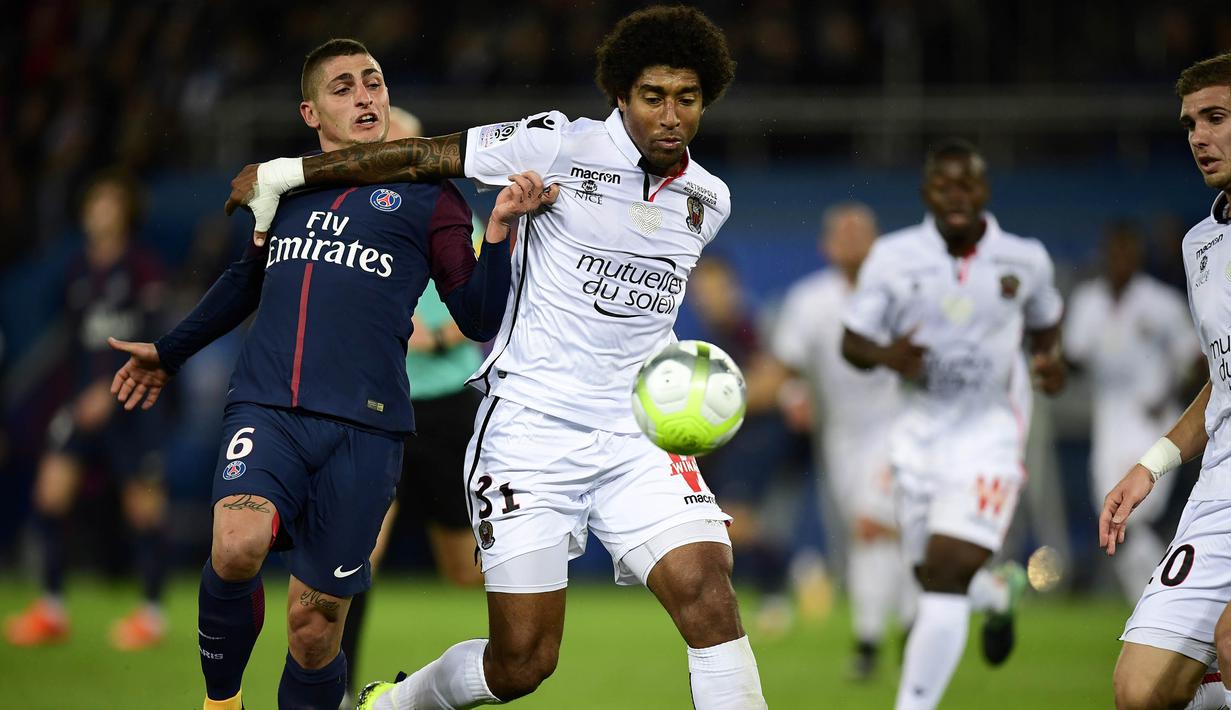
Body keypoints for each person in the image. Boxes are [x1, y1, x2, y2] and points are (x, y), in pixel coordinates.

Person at [226, 8, 764, 709]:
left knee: (709, 596)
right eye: (652, 96)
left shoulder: (708, 199)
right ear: (620, 96)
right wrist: (289, 172)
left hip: (636, 434)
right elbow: (421, 156)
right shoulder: (555, 143)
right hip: (531, 430)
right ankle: (393, 704)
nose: (670, 115)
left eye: (686, 99)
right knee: (522, 663)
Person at [108, 38, 546, 710]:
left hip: (366, 433)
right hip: (267, 406)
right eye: (343, 87)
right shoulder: (284, 187)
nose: (365, 95)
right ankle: (221, 702)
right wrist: (169, 352)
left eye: (372, 82)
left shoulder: (433, 199)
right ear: (311, 112)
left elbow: (479, 315)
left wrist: (499, 238)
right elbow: (242, 282)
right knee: (236, 543)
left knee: (315, 632)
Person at [840, 139, 1065, 710]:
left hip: (991, 434)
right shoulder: (893, 257)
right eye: (945, 185)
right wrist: (892, 357)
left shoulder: (1025, 259)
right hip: (918, 437)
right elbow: (853, 342)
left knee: (943, 571)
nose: (957, 196)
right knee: (934, 576)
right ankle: (997, 593)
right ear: (926, 192)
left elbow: (1045, 327)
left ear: (985, 192)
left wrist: (1049, 362)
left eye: (968, 185)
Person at [338, 105, 486, 709]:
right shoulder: (349, 218)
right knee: (357, 555)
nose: (394, 148)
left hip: (448, 407)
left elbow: (485, 301)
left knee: (463, 570)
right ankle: (339, 692)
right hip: (378, 404)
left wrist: (439, 333)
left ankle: (517, 651)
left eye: (405, 139)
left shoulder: (453, 214)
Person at [1101, 52, 1231, 710]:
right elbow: (1223, 378)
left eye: (1215, 118)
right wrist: (1150, 465)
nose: (1197, 138)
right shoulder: (1199, 245)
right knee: (1140, 691)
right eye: (1189, 124)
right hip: (1218, 495)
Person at [5, 169, 171, 652]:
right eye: (94, 202)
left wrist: (111, 389)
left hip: (132, 402)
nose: (98, 211)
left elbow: (158, 338)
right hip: (84, 405)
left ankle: (152, 614)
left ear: (124, 213)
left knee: (143, 512)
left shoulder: (143, 269)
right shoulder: (75, 271)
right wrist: (76, 394)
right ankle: (52, 609)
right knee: (49, 495)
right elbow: (72, 345)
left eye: (108, 203)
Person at [771, 201, 915, 680]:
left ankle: (870, 642)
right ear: (826, 245)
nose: (852, 242)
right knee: (872, 532)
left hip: (899, 424)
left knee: (872, 524)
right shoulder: (809, 300)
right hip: (842, 436)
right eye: (843, 234)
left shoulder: (903, 295)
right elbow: (788, 368)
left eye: (861, 233)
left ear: (877, 242)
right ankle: (902, 627)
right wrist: (794, 396)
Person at [1065, 222, 1201, 603]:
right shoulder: (1088, 302)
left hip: (1152, 423)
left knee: (1128, 516)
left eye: (1128, 252)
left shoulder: (1161, 303)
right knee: (1112, 518)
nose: (1120, 260)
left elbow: (1196, 359)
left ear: (1137, 256)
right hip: (1109, 424)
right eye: (1114, 252)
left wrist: (1170, 393)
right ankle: (1159, 601)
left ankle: (1163, 602)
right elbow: (1072, 359)